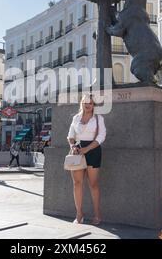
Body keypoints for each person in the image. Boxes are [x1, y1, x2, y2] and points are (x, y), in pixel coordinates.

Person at [67, 94, 106, 225]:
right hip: (77, 152)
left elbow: (101, 136)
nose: (87, 105)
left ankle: (97, 214)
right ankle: (79, 214)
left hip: (93, 151)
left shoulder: (98, 118)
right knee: (77, 183)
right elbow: (70, 135)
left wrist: (87, 149)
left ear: (94, 105)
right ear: (81, 103)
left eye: (90, 103)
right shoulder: (76, 117)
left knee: (93, 184)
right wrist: (72, 146)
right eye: (85, 102)